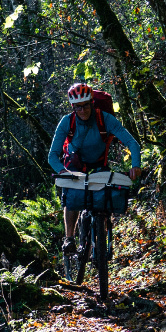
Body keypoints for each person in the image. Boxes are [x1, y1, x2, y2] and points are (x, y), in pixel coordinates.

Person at [48, 82, 142, 257]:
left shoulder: (105, 119)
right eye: (78, 107)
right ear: (73, 107)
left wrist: (135, 165)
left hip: (99, 163)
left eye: (85, 105)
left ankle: (101, 241)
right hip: (74, 165)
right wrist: (62, 171)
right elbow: (52, 155)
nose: (82, 110)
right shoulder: (67, 122)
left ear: (92, 102)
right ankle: (69, 238)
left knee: (104, 201)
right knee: (72, 196)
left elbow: (132, 143)